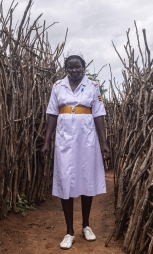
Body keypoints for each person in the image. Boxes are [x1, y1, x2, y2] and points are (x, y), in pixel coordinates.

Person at [40, 48, 111, 250]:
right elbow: (52, 114)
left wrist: (104, 142)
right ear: (66, 68)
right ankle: (69, 231)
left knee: (87, 180)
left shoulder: (93, 86)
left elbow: (99, 115)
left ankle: (86, 225)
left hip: (86, 139)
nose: (74, 70)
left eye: (77, 66)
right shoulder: (58, 86)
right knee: (65, 182)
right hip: (64, 140)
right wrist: (46, 141)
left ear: (83, 66)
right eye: (70, 67)